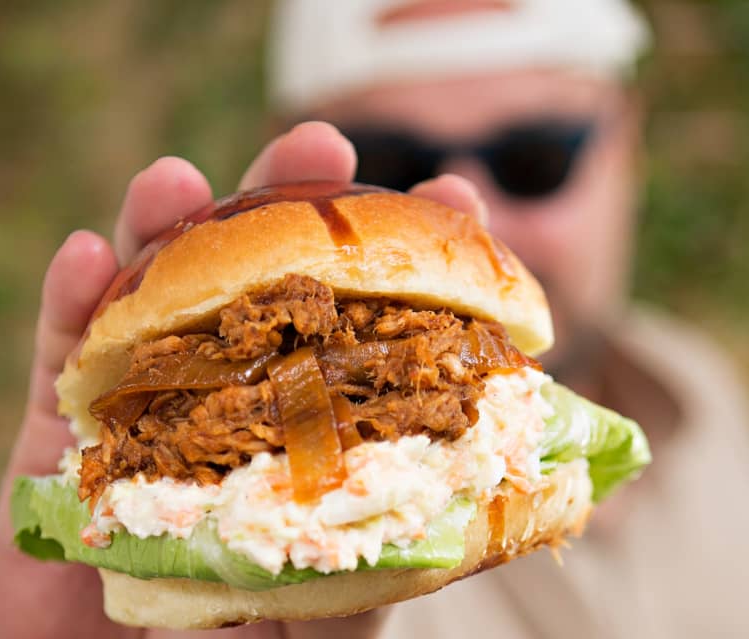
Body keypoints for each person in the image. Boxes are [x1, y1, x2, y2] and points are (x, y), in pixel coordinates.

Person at [266, 0, 749, 637]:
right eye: (391, 171)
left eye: (535, 158)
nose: (477, 225)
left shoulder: (705, 388)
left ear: (628, 146)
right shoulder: (289, 523)